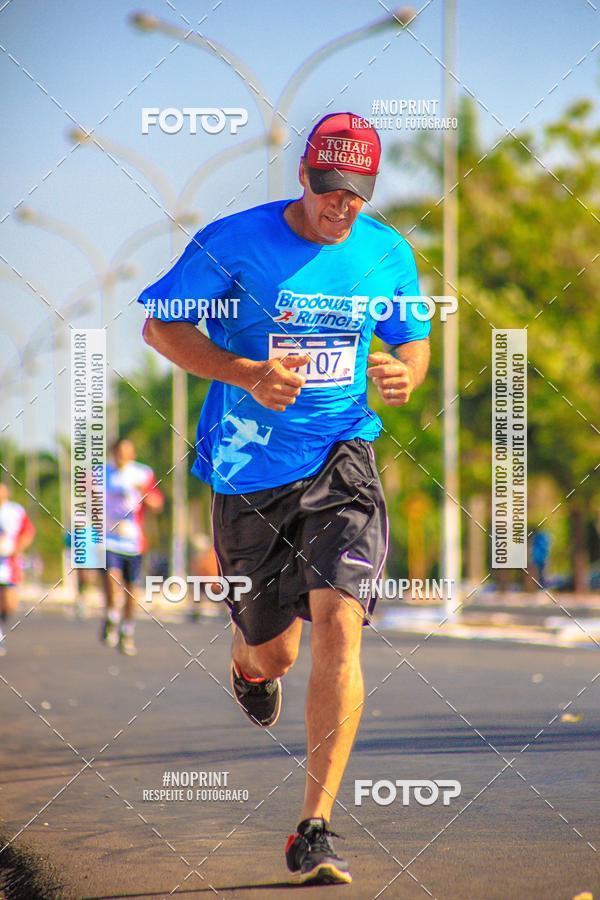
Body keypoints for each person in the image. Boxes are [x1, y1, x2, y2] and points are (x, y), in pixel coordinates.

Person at [139, 111, 430, 885]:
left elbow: (413, 336)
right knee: (277, 651)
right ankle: (247, 665)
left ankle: (315, 826)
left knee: (341, 622)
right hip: (248, 472)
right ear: (304, 177)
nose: (342, 207)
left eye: (356, 195)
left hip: (343, 459)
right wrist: (245, 374)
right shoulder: (235, 242)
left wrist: (410, 371)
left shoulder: (385, 252)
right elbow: (160, 329)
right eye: (330, 190)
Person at [101, 438, 163, 656]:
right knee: (111, 576)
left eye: (126, 452)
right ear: (113, 452)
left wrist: (144, 494)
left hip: (134, 541)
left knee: (131, 590)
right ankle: (111, 616)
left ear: (133, 454)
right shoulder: (101, 473)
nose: (122, 456)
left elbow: (157, 503)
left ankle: (127, 630)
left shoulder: (142, 474)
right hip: (109, 538)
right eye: (118, 452)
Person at [0, 482, 35, 655]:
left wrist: (16, 549)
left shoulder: (14, 511)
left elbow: (28, 532)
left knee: (10, 604)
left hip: (8, 565)